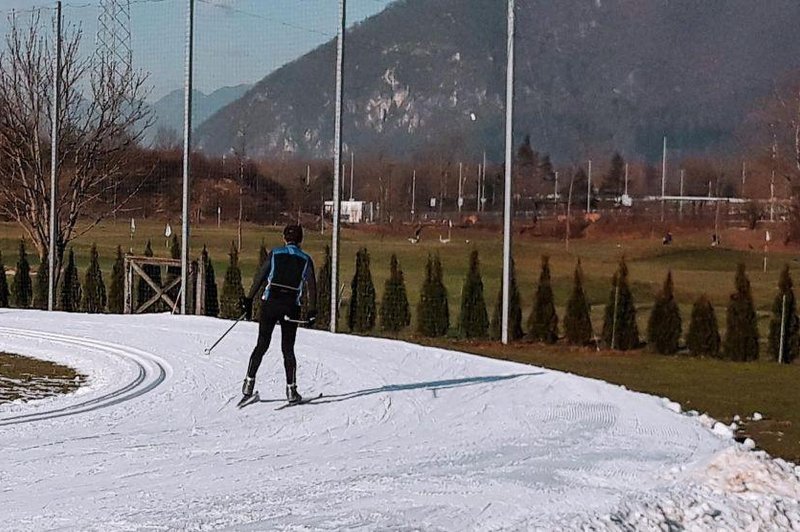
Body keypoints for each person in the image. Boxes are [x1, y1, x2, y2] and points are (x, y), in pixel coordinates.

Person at [239, 224, 317, 404]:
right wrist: (313, 310)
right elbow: (312, 286)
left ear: (284, 238)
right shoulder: (305, 259)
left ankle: (248, 385)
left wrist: (249, 299)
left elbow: (261, 276)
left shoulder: (275, 253)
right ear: (300, 240)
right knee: (288, 349)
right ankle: (291, 391)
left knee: (262, 344)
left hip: (270, 304)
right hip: (291, 307)